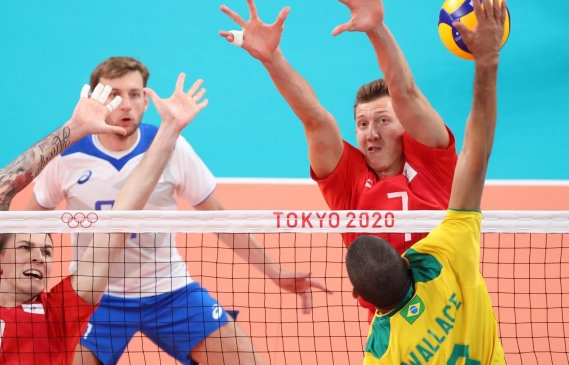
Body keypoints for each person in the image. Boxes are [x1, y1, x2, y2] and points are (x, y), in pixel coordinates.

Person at [27, 57, 326, 365]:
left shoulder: (171, 146)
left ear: (146, 99)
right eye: (114, 94)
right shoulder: (68, 156)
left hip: (170, 291)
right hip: (94, 297)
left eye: (135, 93)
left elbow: (218, 218)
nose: (126, 104)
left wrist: (275, 272)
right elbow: (29, 225)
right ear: (95, 99)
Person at [219, 0, 457, 321]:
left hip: (456, 312)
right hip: (393, 327)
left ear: (405, 125)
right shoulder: (348, 181)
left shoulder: (434, 162)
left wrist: (376, 29)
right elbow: (315, 119)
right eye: (362, 124)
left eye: (383, 121)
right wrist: (273, 60)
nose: (371, 134)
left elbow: (406, 93)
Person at [346, 0, 507, 362]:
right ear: (407, 261)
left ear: (361, 296)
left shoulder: (382, 351)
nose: (371, 133)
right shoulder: (451, 255)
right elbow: (477, 153)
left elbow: (405, 95)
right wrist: (487, 61)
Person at [0, 79, 181, 363]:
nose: (39, 258)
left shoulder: (60, 312)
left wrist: (169, 132)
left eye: (47, 252)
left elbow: (119, 221)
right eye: (26, 247)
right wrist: (74, 129)